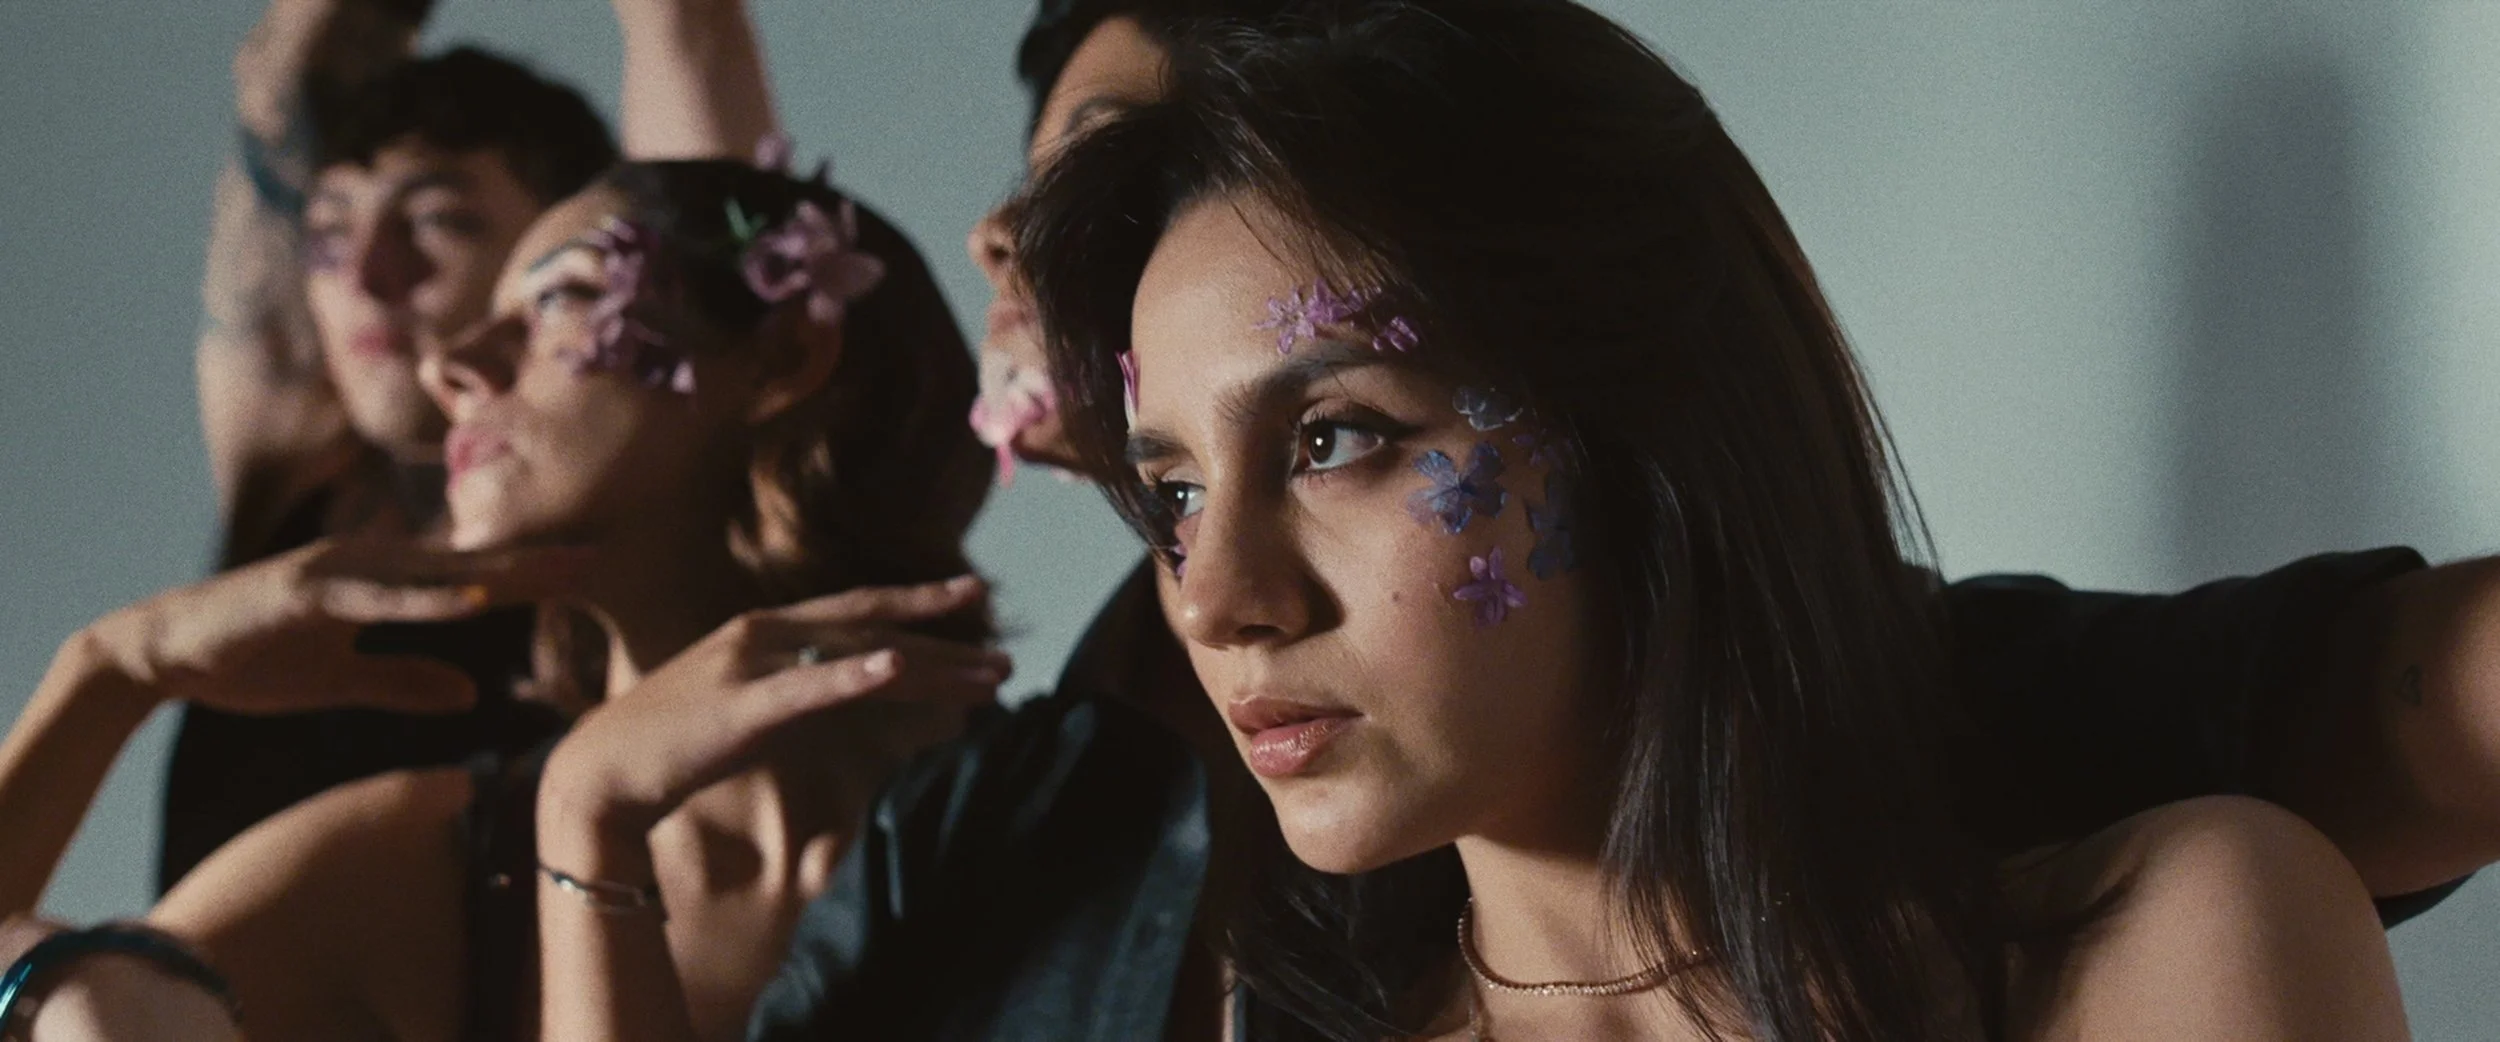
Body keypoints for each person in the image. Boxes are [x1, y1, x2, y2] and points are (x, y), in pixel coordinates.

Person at [1015, 2, 2408, 1037]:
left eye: (1335, 439)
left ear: (1643, 416)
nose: (1211, 598)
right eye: (1178, 491)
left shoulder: (2176, 952)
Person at [0, 154, 999, 1042]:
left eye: (558, 296)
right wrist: (113, 671)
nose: (453, 367)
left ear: (781, 358)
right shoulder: (428, 876)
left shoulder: (1067, 800)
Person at [166, 0, 621, 888]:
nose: (370, 274)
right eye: (331, 231)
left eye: (439, 221)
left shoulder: (636, 507)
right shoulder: (301, 467)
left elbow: (695, 49)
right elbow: (289, 81)